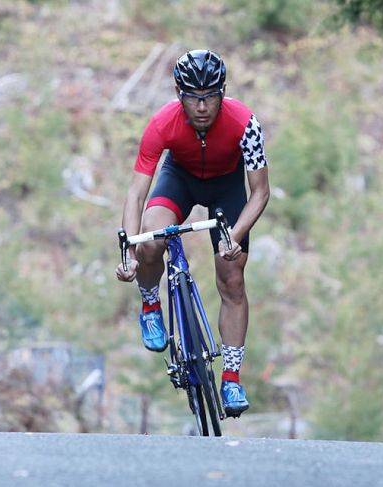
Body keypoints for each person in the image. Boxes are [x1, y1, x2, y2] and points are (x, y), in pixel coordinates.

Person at [115, 49, 270, 418]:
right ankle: (151, 303)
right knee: (151, 239)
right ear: (178, 93)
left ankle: (231, 379)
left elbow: (261, 192)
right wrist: (128, 254)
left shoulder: (245, 123)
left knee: (232, 278)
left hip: (226, 187)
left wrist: (236, 234)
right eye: (192, 97)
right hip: (180, 179)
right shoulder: (161, 124)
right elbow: (137, 194)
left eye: (210, 96)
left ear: (223, 92)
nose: (202, 106)